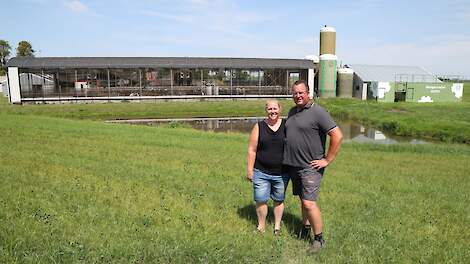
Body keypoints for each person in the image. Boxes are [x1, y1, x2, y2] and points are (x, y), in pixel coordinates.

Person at [283, 80, 343, 253]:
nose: (298, 96)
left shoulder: (318, 112)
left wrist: (327, 160)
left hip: (311, 167)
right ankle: (305, 228)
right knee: (303, 200)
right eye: (295, 93)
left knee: (309, 203)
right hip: (294, 165)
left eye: (301, 93)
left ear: (309, 93)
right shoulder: (293, 111)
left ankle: (319, 239)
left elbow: (337, 136)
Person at [247, 100, 288, 235]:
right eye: (270, 109)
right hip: (261, 171)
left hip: (281, 173)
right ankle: (261, 226)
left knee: (278, 200)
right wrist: (249, 170)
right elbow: (252, 150)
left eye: (275, 108)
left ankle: (277, 227)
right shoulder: (258, 126)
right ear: (266, 110)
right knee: (260, 200)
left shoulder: (287, 125)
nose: (272, 111)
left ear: (280, 109)